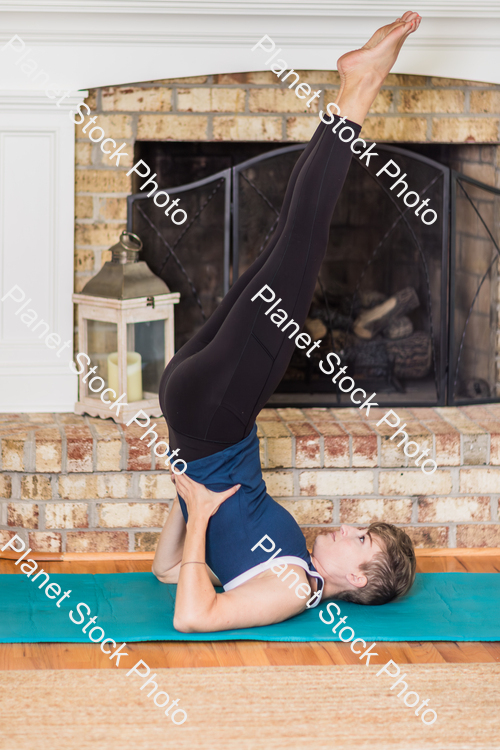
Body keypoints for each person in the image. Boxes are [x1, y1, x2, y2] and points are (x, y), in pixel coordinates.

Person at [153, 13, 420, 632]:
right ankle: (350, 96)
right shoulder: (289, 561)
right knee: (287, 242)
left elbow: (190, 616)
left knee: (302, 242)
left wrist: (197, 506)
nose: (348, 527)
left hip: (213, 417)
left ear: (358, 579)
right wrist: (191, 505)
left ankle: (358, 91)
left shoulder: (297, 587)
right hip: (201, 411)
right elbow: (169, 569)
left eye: (361, 540)